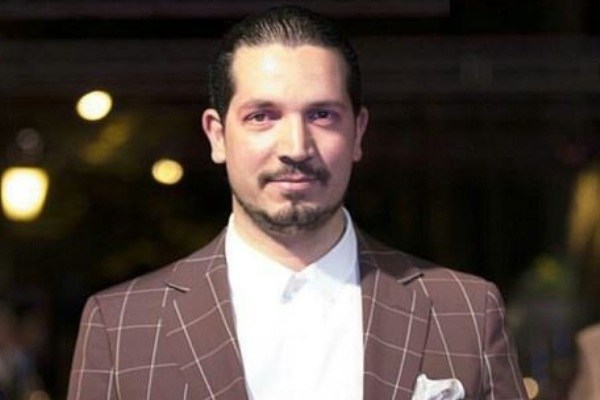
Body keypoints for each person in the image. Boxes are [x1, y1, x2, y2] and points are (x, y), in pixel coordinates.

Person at [67, 5, 526, 399]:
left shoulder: (464, 311)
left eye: (321, 115)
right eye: (261, 116)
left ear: (358, 132)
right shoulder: (123, 325)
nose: (296, 146)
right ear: (217, 135)